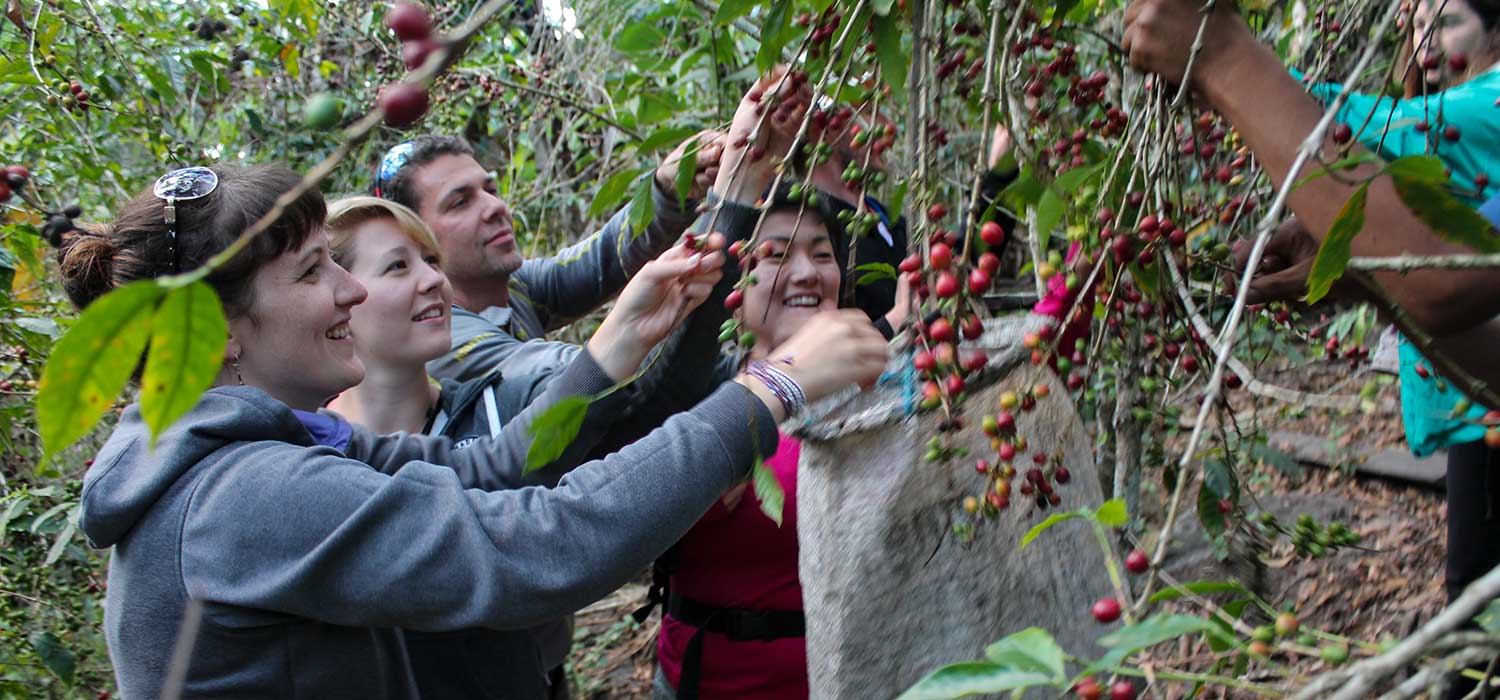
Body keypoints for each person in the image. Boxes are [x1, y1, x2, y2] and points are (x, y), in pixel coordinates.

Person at [58, 162, 890, 698]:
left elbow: (486, 468)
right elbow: (541, 544)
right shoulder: (244, 498)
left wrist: (618, 341)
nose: (351, 293)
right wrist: (769, 387)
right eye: (316, 271)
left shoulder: (265, 444)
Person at [1124, 2, 1499, 696]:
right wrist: (1372, 279)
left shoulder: (1484, 107)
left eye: (1444, 21)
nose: (1424, 40)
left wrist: (1226, 60)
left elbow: (1443, 283)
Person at [650, 68, 910, 700]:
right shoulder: (700, 399)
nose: (805, 271)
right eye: (774, 255)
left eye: (821, 254)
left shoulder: (879, 388)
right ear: (732, 296)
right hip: (706, 679)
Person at [373, 132, 725, 384]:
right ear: (416, 238)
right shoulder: (443, 340)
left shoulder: (516, 288)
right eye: (461, 202)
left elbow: (601, 260)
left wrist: (670, 187)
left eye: (490, 190)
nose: (495, 207)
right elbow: (584, 374)